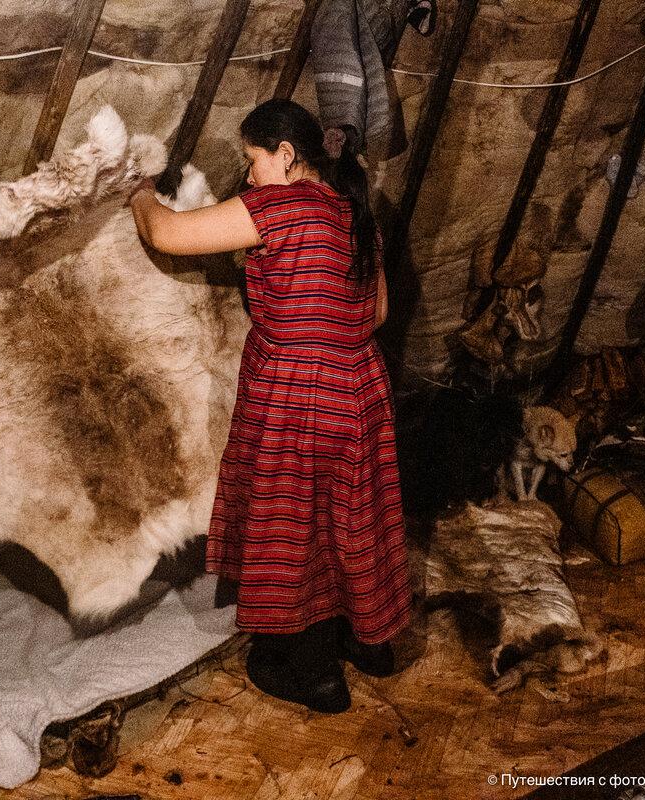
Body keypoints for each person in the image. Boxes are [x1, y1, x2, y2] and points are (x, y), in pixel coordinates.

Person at [127, 99, 411, 713]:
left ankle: (315, 675)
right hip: (360, 386)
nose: (249, 175)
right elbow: (379, 311)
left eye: (252, 160)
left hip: (299, 394)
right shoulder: (354, 211)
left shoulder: (280, 206)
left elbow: (166, 234)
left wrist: (140, 190)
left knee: (299, 528)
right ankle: (371, 645)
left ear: (285, 155)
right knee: (352, 518)